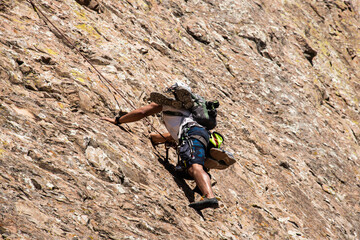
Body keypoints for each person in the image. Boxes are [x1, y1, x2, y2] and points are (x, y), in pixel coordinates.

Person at [101, 83, 219, 210]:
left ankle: (209, 196)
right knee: (190, 168)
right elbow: (175, 133)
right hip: (202, 135)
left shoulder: (167, 102)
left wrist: (118, 120)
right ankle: (202, 184)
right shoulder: (188, 111)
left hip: (191, 134)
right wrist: (155, 138)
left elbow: (142, 112)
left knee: (195, 166)